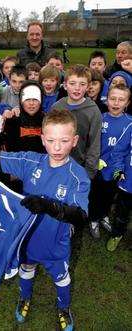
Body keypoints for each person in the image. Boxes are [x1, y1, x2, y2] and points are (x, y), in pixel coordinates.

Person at [0, 108, 90, 331]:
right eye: (51, 140)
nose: (57, 147)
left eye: (64, 140)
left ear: (75, 140)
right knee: (26, 268)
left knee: (61, 278)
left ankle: (63, 307)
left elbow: (81, 216)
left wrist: (50, 206)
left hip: (55, 243)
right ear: (42, 139)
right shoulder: (31, 161)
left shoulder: (78, 176)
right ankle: (25, 298)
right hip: (25, 238)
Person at [88, 84, 132, 239]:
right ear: (107, 100)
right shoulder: (99, 118)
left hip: (116, 170)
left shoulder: (130, 122)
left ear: (127, 103)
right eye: (113, 98)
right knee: (95, 194)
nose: (116, 103)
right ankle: (93, 218)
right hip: (97, 167)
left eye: (121, 100)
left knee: (110, 195)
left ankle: (103, 214)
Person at [52, 64, 102, 180]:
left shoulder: (93, 111)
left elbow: (94, 146)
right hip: (56, 166)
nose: (77, 88)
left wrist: (88, 174)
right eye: (72, 83)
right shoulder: (57, 107)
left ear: (88, 86)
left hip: (80, 169)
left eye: (82, 84)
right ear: (65, 85)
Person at [0, 80, 45, 153]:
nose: (31, 103)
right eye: (27, 99)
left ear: (41, 101)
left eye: (35, 99)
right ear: (21, 101)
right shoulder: (13, 120)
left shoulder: (47, 121)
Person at [106, 107, 132, 251]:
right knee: (122, 213)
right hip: (128, 182)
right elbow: (118, 151)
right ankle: (117, 234)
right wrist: (119, 169)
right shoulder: (130, 127)